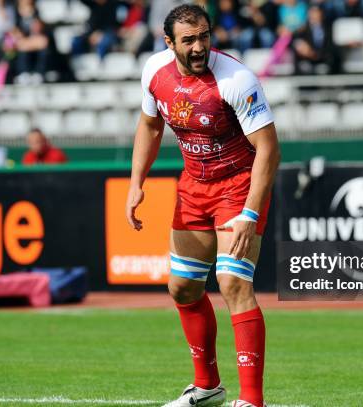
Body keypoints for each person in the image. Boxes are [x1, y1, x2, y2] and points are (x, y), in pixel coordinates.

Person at [126, 5, 280, 407]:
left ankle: (251, 400)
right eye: (189, 40)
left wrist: (249, 212)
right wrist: (136, 183)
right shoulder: (154, 73)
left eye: (204, 37)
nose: (199, 47)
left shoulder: (236, 78)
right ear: (169, 43)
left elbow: (268, 149)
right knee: (182, 287)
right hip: (193, 186)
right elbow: (150, 125)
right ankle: (207, 386)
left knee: (232, 283)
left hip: (238, 186)